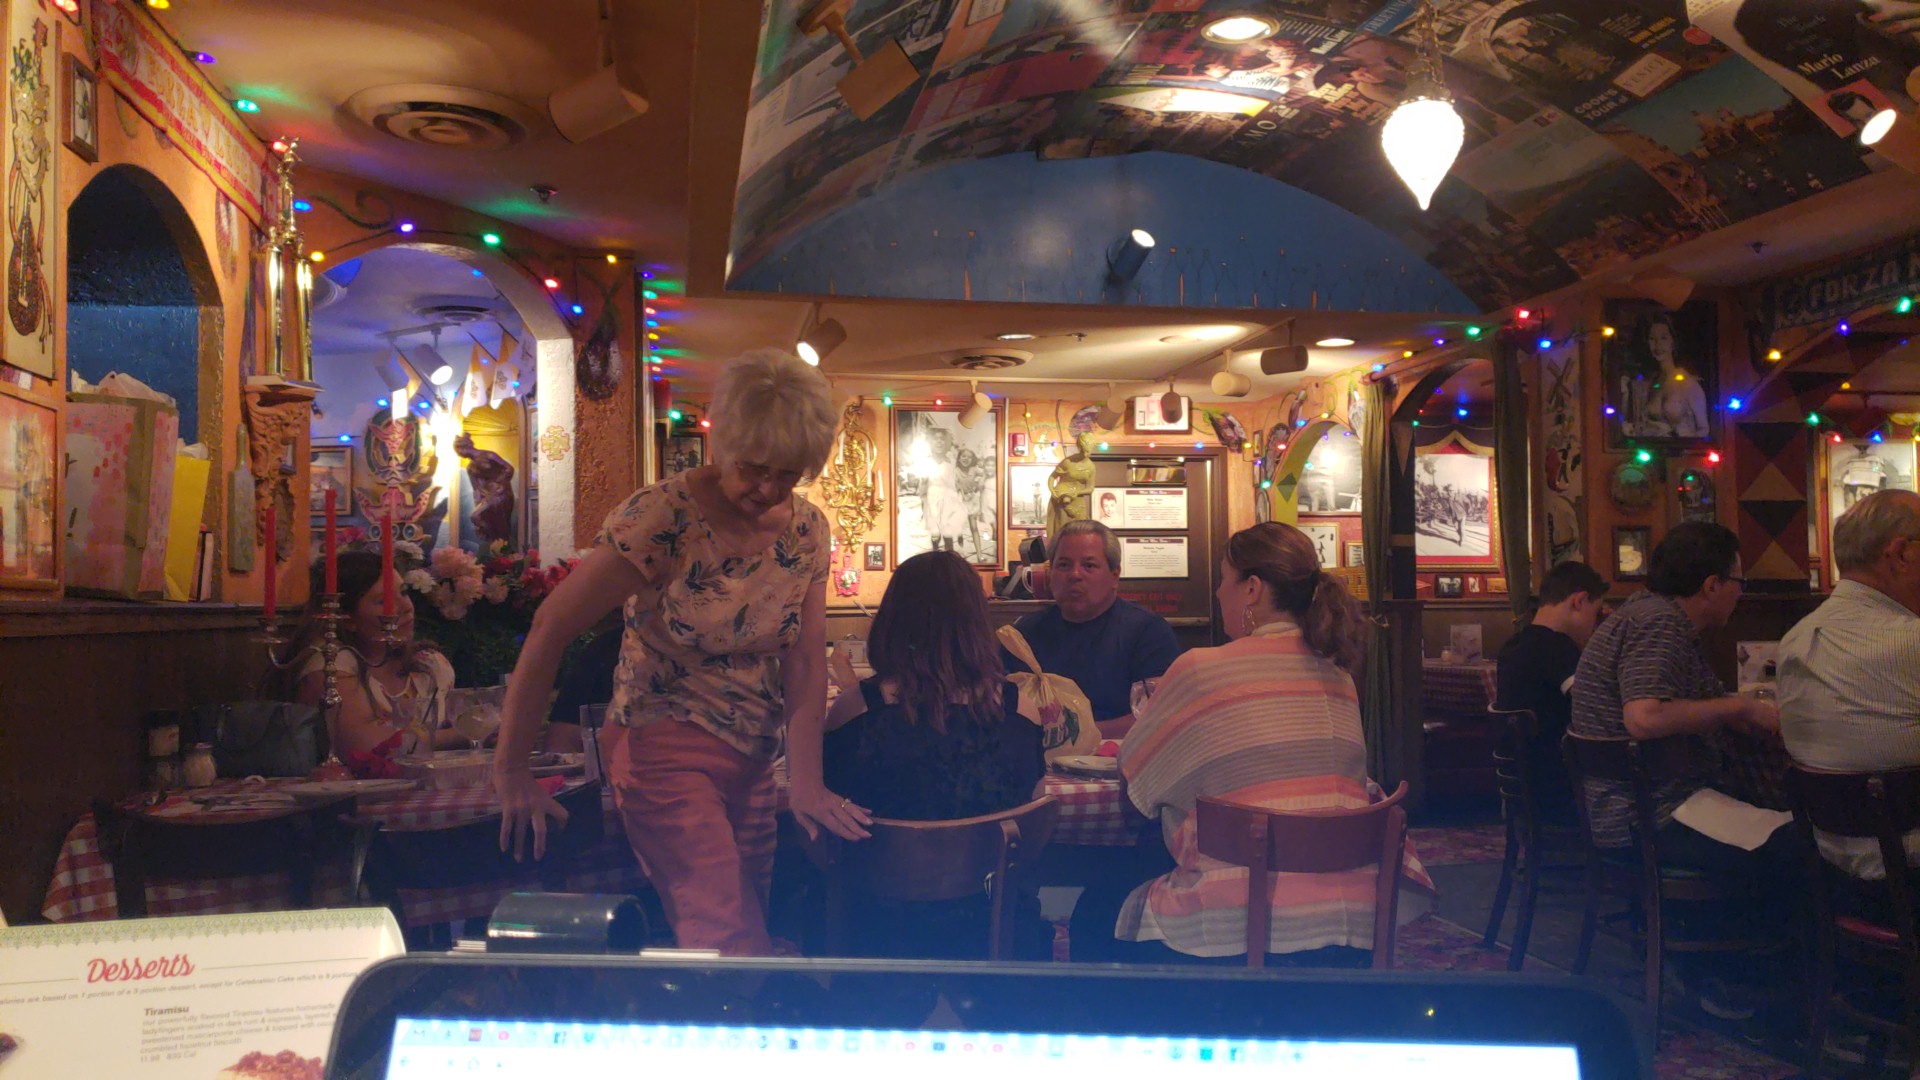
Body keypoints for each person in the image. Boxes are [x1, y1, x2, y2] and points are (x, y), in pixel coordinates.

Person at [492, 348, 863, 957]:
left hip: (754, 756)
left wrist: (807, 782)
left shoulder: (807, 529)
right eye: (754, 469)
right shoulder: (662, 516)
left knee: (745, 927)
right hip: (660, 744)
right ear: (722, 441)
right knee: (728, 937)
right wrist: (510, 771)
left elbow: (803, 659)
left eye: (788, 474)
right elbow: (549, 626)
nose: (768, 490)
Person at [1072, 522, 1431, 964]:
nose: (1217, 592)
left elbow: (1137, 787)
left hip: (1237, 929)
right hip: (1352, 926)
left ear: (1252, 589)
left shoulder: (1199, 669)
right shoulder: (1338, 674)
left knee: (1093, 911)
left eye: (1224, 579)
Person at [1567, 522, 1789, 1018]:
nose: (1740, 593)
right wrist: (1739, 708)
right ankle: (1744, 981)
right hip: (1647, 815)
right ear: (1712, 585)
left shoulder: (1645, 614)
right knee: (1798, 844)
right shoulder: (1659, 623)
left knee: (1777, 826)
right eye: (1739, 582)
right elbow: (1645, 717)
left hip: (1631, 809)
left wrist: (1729, 710)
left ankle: (1720, 965)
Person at [816, 550, 1048, 959]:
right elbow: (1031, 818)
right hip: (993, 928)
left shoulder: (855, 710)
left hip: (873, 933)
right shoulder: (1020, 710)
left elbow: (825, 823)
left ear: (892, 621)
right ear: (977, 625)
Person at [1779, 490, 1920, 879]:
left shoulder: (1794, 639)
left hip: (1832, 871)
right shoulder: (1910, 641)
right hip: (1908, 872)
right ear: (1902, 553)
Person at [1006, 519, 1179, 738]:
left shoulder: (1147, 632)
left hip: (1117, 754)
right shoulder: (1024, 634)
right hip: (1037, 755)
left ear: (1115, 575)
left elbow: (1158, 715)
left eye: (1089, 566)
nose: (1075, 575)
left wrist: (1073, 736)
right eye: (1064, 565)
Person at [279, 550, 459, 758]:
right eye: (383, 601)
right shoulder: (330, 662)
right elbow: (368, 745)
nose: (405, 607)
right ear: (347, 619)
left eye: (403, 592)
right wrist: (463, 735)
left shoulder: (429, 664)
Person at [1495, 560, 1609, 815]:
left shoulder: (1512, 646)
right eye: (1596, 612)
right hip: (1560, 789)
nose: (1595, 622)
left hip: (1524, 787)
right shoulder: (1557, 648)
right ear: (1579, 601)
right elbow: (1595, 703)